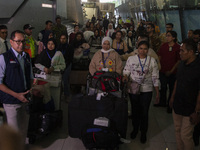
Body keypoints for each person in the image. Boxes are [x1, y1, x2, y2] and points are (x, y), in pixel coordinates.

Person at [0, 30, 34, 143]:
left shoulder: (26, 57)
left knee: (23, 130)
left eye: (23, 41)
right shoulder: (4, 58)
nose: (21, 44)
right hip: (11, 102)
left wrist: (31, 90)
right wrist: (16, 95)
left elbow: (30, 77)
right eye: (18, 41)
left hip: (25, 99)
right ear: (11, 42)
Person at [123, 40, 159, 144]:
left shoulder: (152, 61)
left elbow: (155, 76)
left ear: (148, 50)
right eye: (140, 48)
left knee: (144, 112)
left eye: (145, 49)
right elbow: (126, 71)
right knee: (135, 110)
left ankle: (143, 132)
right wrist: (125, 77)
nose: (142, 51)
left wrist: (157, 92)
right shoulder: (131, 59)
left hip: (147, 90)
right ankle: (135, 129)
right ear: (137, 49)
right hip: (133, 88)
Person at [169, 38, 200, 150]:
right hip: (178, 104)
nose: (180, 53)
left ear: (191, 52)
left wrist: (197, 111)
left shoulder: (198, 68)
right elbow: (177, 81)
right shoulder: (182, 64)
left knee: (185, 135)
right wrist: (172, 97)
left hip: (190, 108)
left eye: (182, 51)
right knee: (177, 130)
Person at [156, 31, 180, 113]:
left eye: (169, 36)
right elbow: (160, 56)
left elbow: (178, 61)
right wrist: (158, 66)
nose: (167, 37)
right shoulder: (163, 46)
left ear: (173, 37)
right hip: (162, 70)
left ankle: (170, 104)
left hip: (172, 72)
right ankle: (162, 102)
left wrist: (171, 70)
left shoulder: (177, 47)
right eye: (167, 36)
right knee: (163, 87)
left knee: (172, 88)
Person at [57, 34, 73, 101]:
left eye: (64, 38)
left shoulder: (69, 47)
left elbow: (70, 58)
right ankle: (59, 94)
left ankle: (67, 95)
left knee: (65, 80)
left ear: (66, 39)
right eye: (61, 38)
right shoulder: (58, 47)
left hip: (67, 64)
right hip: (59, 65)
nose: (62, 40)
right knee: (59, 80)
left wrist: (65, 65)